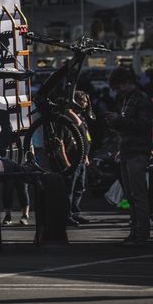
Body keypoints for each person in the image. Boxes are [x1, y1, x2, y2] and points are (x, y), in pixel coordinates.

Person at [105, 67, 153, 247]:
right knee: (131, 197)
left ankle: (141, 234)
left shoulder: (141, 99)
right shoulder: (128, 99)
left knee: (138, 195)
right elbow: (131, 126)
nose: (117, 91)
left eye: (118, 87)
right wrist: (116, 123)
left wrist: (119, 120)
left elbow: (143, 125)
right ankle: (135, 232)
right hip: (127, 152)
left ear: (126, 83)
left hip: (137, 152)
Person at [65, 91, 92, 226]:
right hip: (72, 159)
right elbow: (61, 143)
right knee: (69, 188)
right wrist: (66, 162)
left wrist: (86, 155)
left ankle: (75, 213)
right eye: (83, 101)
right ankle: (67, 215)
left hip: (81, 158)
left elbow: (84, 136)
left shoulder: (81, 116)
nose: (86, 104)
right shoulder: (67, 118)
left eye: (86, 102)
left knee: (80, 187)